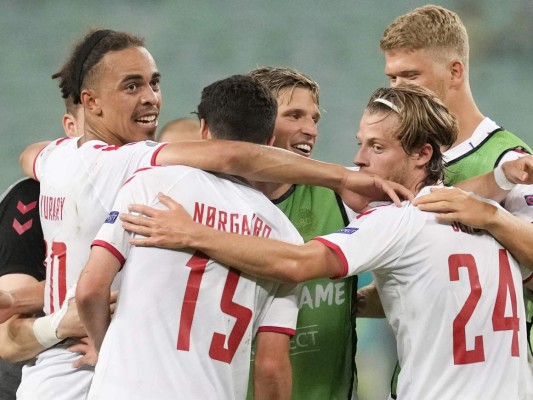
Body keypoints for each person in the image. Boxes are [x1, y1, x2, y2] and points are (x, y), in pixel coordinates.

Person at [15, 28, 412, 400]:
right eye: (132, 85)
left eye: (155, 82)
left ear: (203, 129)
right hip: (96, 379)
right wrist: (344, 177)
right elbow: (234, 155)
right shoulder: (143, 172)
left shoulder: (64, 158)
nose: (152, 97)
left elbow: (29, 156)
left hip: (60, 375)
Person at [119, 83, 533, 399]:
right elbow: (436, 290)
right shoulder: (485, 216)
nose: (359, 160)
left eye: (376, 146)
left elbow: (296, 264)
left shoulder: (396, 220)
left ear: (422, 154)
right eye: (360, 144)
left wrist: (193, 233)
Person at [76, 74, 301, 400]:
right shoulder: (286, 239)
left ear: (204, 129)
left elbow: (90, 290)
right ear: (269, 143)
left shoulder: (153, 184)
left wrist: (107, 348)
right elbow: (270, 365)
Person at [377, 5, 533, 393]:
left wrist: (491, 216)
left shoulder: (510, 159)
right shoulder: (403, 157)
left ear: (455, 71)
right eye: (393, 77)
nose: (399, 90)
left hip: (489, 383)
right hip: (420, 379)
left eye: (412, 75)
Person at [245, 66, 356, 400]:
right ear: (259, 123)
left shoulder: (345, 199)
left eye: (314, 119)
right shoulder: (213, 203)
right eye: (294, 115)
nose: (310, 130)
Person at [0, 96, 84, 400]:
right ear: (71, 127)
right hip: (27, 381)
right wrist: (64, 321)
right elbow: (9, 342)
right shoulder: (30, 198)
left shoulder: (145, 190)